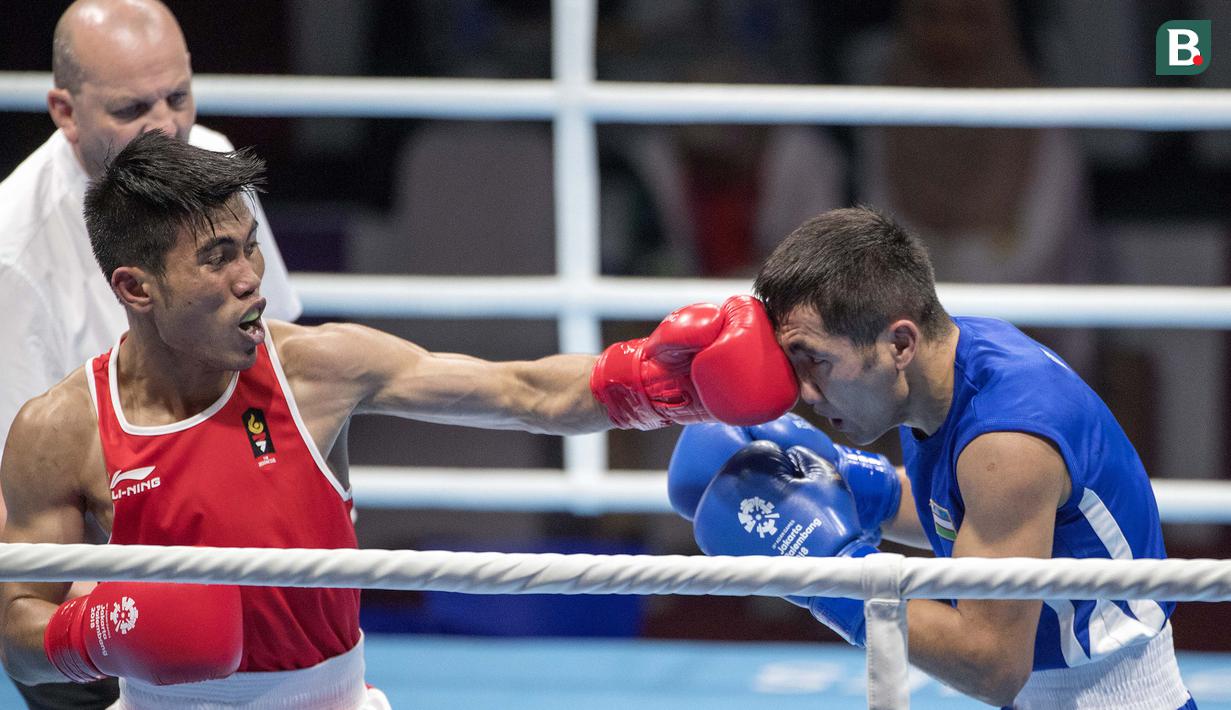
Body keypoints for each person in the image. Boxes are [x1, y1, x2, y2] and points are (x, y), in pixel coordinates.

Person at [0, 130, 797, 709]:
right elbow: (18, 635)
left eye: (250, 246)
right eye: (217, 258)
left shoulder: (313, 368)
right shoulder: (59, 430)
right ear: (136, 288)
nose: (251, 279)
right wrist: (97, 633)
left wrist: (652, 384)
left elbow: (521, 391)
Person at [669, 207, 1196, 708]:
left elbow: (991, 665)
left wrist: (828, 571)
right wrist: (851, 483)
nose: (805, 392)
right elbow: (968, 516)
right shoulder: (958, 359)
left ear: (900, 344)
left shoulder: (1006, 443)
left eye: (817, 361)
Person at [0, 0, 302, 514]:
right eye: (132, 109)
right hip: (111, 532)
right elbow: (18, 492)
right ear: (66, 112)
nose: (166, 127)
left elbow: (282, 366)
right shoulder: (14, 253)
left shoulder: (212, 159)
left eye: (178, 98)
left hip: (242, 483)